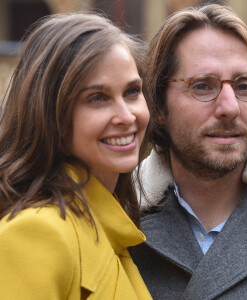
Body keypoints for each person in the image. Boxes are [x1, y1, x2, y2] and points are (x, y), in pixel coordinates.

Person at [131, 4, 247, 300]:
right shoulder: (113, 220)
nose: (229, 108)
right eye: (202, 86)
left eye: (244, 86)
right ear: (157, 106)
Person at [0, 13, 152, 299]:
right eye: (98, 97)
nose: (126, 115)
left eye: (132, 91)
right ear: (49, 113)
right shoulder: (35, 233)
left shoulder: (111, 232)